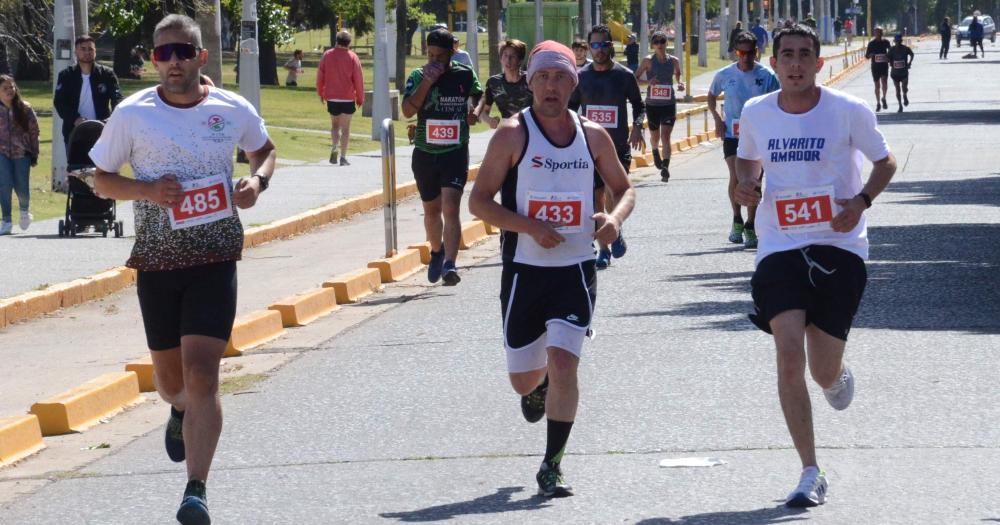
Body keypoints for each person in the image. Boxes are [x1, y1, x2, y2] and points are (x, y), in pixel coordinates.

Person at [90, 14, 276, 525]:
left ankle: (196, 489)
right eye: (162, 53)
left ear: (201, 56)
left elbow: (264, 150)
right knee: (174, 384)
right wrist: (146, 190)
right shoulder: (132, 114)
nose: (172, 61)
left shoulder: (230, 107)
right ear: (154, 61)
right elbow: (100, 179)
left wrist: (257, 183)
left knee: (203, 374)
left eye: (181, 51)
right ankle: (176, 411)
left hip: (216, 256)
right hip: (157, 261)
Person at [735, 23, 897, 508]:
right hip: (779, 244)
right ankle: (810, 471)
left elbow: (885, 162)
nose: (797, 63)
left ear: (819, 63)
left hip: (839, 245)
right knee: (789, 353)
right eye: (787, 55)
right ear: (775, 63)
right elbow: (746, 163)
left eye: (806, 54)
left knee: (823, 370)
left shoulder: (848, 111)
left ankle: (836, 375)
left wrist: (861, 201)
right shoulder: (756, 112)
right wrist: (744, 186)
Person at [468, 40, 635, 499]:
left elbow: (625, 189)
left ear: (573, 84)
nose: (551, 86)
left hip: (576, 269)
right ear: (531, 83)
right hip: (524, 269)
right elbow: (478, 201)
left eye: (561, 77)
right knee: (524, 378)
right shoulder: (511, 134)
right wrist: (528, 226)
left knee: (566, 361)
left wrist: (613, 220)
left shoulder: (592, 136)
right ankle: (535, 384)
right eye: (543, 77)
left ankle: (552, 464)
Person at [402, 28, 483, 286]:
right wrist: (427, 81)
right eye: (431, 55)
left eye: (440, 56)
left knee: (451, 206)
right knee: (432, 209)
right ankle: (436, 252)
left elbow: (478, 96)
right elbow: (406, 111)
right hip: (426, 152)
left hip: (455, 151)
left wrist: (474, 111)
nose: (434, 60)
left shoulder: (464, 74)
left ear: (452, 53)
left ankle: (450, 263)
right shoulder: (417, 76)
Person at [569, 24, 645, 269]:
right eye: (594, 45)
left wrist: (637, 126)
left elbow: (638, 104)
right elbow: (569, 110)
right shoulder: (581, 77)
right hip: (588, 148)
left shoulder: (624, 75)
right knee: (595, 197)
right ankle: (603, 249)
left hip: (617, 146)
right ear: (589, 47)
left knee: (614, 193)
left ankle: (615, 226)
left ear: (611, 46)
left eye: (603, 44)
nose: (599, 50)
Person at [707, 31, 780, 249]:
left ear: (756, 52)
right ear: (735, 52)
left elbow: (778, 102)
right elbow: (711, 96)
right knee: (736, 175)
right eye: (741, 52)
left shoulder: (767, 75)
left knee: (755, 179)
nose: (745, 57)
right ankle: (737, 218)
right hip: (732, 133)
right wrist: (718, 119)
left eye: (750, 52)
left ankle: (751, 223)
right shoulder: (724, 74)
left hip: (759, 136)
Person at [53, 34, 123, 146]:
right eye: (83, 49)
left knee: (100, 164)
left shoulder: (107, 74)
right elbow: (60, 102)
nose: (87, 52)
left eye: (90, 49)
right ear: (76, 51)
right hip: (74, 132)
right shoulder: (66, 75)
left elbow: (117, 97)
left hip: (102, 131)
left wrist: (112, 119)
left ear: (95, 51)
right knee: (77, 163)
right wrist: (75, 119)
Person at [634, 31, 684, 182]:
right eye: (656, 42)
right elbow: (635, 78)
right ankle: (655, 151)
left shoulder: (674, 60)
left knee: (666, 136)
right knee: (655, 137)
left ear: (666, 43)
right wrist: (648, 83)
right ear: (652, 45)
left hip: (668, 104)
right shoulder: (648, 61)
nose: (660, 45)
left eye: (662, 41)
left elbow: (678, 75)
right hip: (653, 105)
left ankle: (665, 167)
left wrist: (681, 83)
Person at [317, 31, 364, 166]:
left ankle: (334, 148)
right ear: (349, 43)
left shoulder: (327, 55)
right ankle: (343, 157)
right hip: (348, 98)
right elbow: (358, 79)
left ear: (337, 40)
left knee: (334, 126)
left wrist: (321, 92)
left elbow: (320, 75)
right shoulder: (353, 57)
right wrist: (360, 98)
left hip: (332, 97)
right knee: (346, 129)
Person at [0, 75, 39, 235]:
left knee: (21, 186)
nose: (10, 91)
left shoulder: (25, 108)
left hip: (22, 152)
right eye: (5, 88)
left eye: (12, 87)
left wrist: (34, 153)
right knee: (4, 184)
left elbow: (34, 131)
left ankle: (24, 212)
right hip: (1, 153)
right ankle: (6, 220)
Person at [473, 39, 532, 128]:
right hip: (508, 130)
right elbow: (484, 111)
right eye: (505, 55)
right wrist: (490, 120)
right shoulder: (494, 83)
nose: (508, 60)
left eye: (513, 56)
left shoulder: (531, 80)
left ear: (520, 60)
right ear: (501, 58)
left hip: (531, 129)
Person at [864, 27, 891, 111]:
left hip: (884, 66)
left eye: (879, 32)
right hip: (875, 67)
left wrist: (889, 58)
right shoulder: (871, 44)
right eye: (876, 33)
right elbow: (867, 56)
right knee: (877, 85)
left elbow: (890, 52)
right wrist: (871, 55)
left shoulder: (886, 42)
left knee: (884, 83)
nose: (878, 34)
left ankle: (884, 98)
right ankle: (878, 103)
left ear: (882, 33)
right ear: (874, 34)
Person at [888, 34, 914, 112]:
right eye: (896, 42)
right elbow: (887, 57)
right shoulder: (891, 50)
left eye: (899, 41)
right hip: (895, 73)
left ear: (901, 41)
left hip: (904, 72)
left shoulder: (906, 49)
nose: (898, 43)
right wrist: (889, 62)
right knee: (897, 89)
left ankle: (905, 95)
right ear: (894, 42)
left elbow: (912, 54)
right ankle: (900, 105)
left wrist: (909, 63)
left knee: (904, 87)